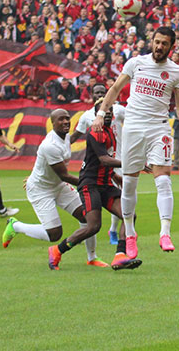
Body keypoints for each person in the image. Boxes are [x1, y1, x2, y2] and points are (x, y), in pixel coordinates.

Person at [91, 27, 179, 259]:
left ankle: (165, 232)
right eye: (156, 42)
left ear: (171, 47)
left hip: (159, 127)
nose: (159, 47)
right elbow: (115, 89)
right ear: (152, 41)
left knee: (163, 180)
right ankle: (130, 234)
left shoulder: (177, 72)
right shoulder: (135, 63)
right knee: (129, 184)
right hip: (133, 127)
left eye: (164, 44)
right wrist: (101, 113)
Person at [2, 109, 107, 268]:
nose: (65, 122)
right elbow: (64, 175)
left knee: (86, 217)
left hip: (57, 185)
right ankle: (15, 226)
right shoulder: (50, 145)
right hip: (41, 190)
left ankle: (92, 257)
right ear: (52, 123)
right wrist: (90, 184)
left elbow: (46, 165)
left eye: (67, 118)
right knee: (54, 234)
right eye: (61, 119)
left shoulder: (65, 137)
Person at [47, 105, 141, 271]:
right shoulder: (94, 131)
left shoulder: (110, 132)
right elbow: (103, 159)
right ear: (98, 114)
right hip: (89, 184)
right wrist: (131, 163)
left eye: (111, 112)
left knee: (129, 215)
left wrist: (114, 175)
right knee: (93, 226)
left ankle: (120, 255)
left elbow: (104, 159)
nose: (109, 114)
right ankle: (57, 250)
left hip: (105, 184)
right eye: (106, 112)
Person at [71, 83, 125, 245]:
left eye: (103, 92)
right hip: (101, 165)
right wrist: (59, 145)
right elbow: (75, 136)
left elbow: (134, 122)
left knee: (125, 203)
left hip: (118, 160)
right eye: (97, 92)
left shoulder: (118, 110)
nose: (100, 94)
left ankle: (114, 231)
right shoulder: (87, 116)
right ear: (92, 95)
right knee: (94, 224)